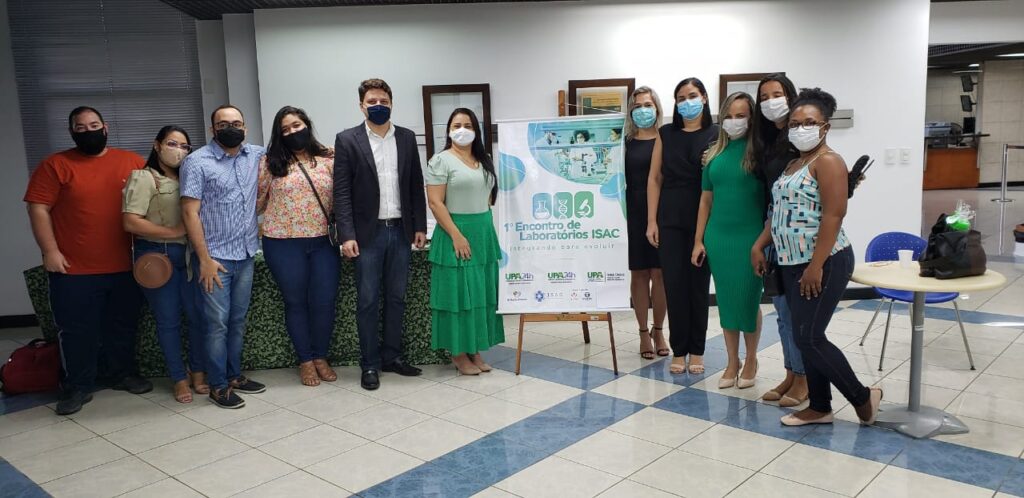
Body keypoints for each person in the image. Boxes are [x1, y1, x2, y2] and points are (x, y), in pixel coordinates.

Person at [751, 88, 882, 426]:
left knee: (809, 336)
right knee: (804, 336)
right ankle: (820, 406)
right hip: (792, 261)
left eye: (809, 122)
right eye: (795, 123)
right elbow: (777, 213)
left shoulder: (829, 162)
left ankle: (863, 397)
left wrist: (816, 265)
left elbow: (833, 217)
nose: (800, 128)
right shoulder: (795, 163)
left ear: (825, 126)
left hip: (825, 261)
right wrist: (758, 244)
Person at [24, 106, 152, 415]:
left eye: (93, 125)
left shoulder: (132, 162)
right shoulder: (55, 165)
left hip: (125, 265)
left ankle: (121, 373)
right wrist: (50, 250)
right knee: (77, 330)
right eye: (80, 127)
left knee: (122, 326)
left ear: (105, 127)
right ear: (71, 132)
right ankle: (78, 386)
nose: (88, 131)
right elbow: (37, 208)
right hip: (74, 269)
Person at [334, 78, 427, 391]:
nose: (377, 106)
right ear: (361, 105)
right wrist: (346, 234)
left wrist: (420, 226)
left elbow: (415, 184)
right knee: (368, 301)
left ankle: (392, 357)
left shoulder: (406, 137)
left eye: (383, 101)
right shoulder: (347, 140)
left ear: (391, 103)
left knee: (398, 298)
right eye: (371, 101)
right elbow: (342, 192)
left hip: (400, 231)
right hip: (367, 235)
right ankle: (370, 364)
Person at [180, 104, 266, 409]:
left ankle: (234, 375)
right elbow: (190, 213)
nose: (231, 127)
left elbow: (288, 155)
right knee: (217, 323)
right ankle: (217, 385)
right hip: (214, 259)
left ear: (245, 126)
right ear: (212, 129)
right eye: (223, 123)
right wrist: (203, 258)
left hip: (245, 254)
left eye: (237, 122)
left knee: (238, 320)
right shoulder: (197, 162)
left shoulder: (256, 154)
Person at [122, 126, 207, 403]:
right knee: (168, 320)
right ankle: (178, 378)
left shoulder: (191, 176)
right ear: (157, 145)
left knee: (197, 317)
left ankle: (197, 371)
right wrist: (174, 233)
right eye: (173, 143)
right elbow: (131, 221)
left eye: (185, 146)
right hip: (158, 256)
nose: (179, 150)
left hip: (191, 256)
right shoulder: (145, 178)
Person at [258, 106, 339, 387]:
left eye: (297, 125)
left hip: (323, 242)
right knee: (295, 302)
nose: (293, 132)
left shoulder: (329, 157)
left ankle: (320, 356)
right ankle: (305, 360)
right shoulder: (271, 162)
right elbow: (257, 202)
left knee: (325, 302)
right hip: (282, 243)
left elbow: (344, 195)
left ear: (307, 124)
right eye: (286, 129)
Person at [692, 92, 764, 389]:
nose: (735, 122)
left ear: (752, 118)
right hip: (719, 237)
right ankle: (732, 360)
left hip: (751, 237)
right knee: (725, 300)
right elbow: (705, 201)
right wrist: (698, 240)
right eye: (730, 116)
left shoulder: (760, 153)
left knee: (748, 298)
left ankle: (751, 358)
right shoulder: (714, 154)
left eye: (741, 115)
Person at [646, 78, 717, 375]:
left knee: (698, 286)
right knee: (674, 284)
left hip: (706, 214)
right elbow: (655, 178)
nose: (686, 101)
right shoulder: (666, 133)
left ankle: (697, 350)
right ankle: (680, 349)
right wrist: (652, 220)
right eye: (680, 97)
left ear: (703, 97)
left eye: (692, 95)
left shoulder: (718, 134)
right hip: (670, 215)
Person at [425, 108, 504, 375]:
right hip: (454, 233)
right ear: (448, 130)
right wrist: (457, 235)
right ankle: (458, 354)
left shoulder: (484, 159)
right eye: (456, 124)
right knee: (459, 296)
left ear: (476, 130)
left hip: (482, 232)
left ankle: (475, 349)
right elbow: (435, 203)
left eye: (467, 124)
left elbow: (488, 196)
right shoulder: (441, 161)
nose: (462, 129)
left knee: (480, 295)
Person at [751, 73, 808, 407]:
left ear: (790, 95)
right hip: (773, 228)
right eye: (765, 96)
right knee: (783, 310)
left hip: (798, 232)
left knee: (798, 312)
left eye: (777, 93)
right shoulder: (767, 138)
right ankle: (792, 373)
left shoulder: (801, 137)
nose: (771, 100)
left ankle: (804, 379)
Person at [623, 86, 668, 360]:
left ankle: (659, 329)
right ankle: (642, 332)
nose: (643, 110)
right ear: (631, 111)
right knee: (639, 273)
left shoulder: (667, 138)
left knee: (661, 274)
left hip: (664, 211)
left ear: (657, 108)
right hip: (634, 210)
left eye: (648, 104)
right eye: (638, 105)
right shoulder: (624, 142)